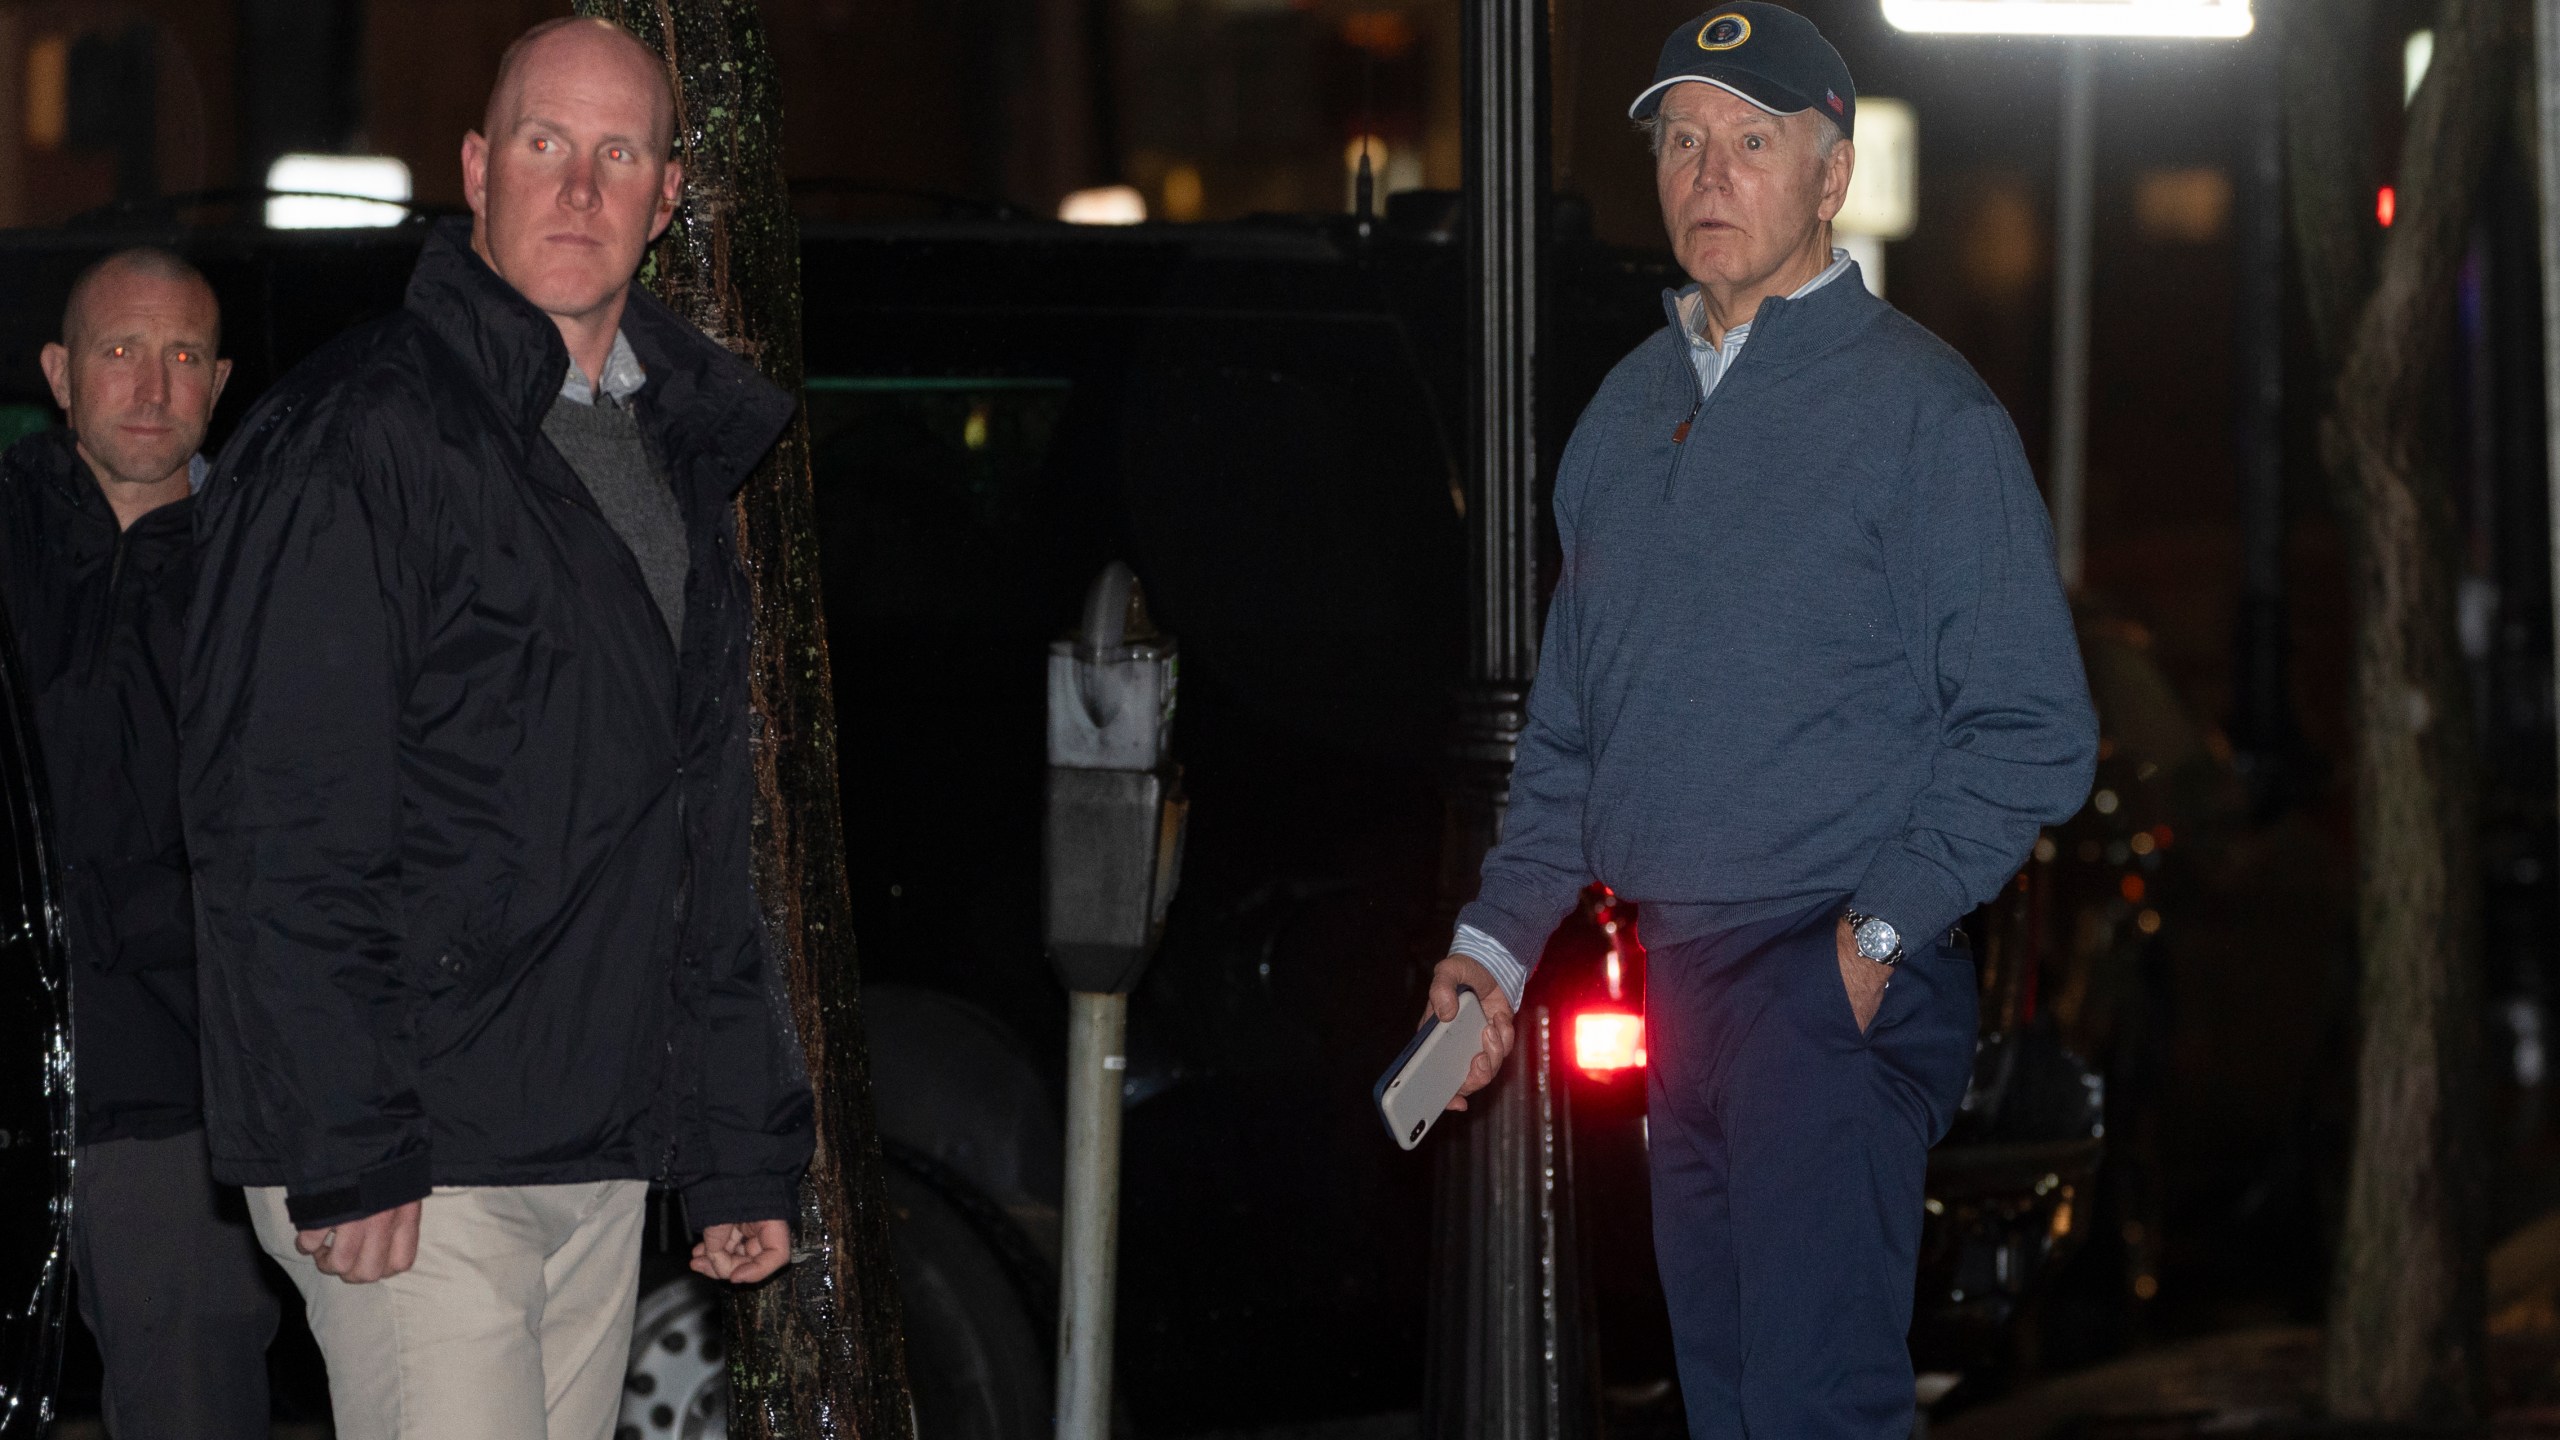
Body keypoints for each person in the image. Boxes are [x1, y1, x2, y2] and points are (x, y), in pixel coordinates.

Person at [1425, 7, 2098, 1437]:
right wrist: (1490, 953)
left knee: (1814, 1410)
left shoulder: (1927, 414)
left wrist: (1868, 943)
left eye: (1751, 141)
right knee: (1728, 1407)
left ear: (1831, 172)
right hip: (1676, 980)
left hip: (1826, 977)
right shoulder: (1622, 415)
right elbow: (1568, 744)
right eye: (1681, 141)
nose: (1707, 174)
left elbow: (2036, 730)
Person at [182, 18, 813, 1439]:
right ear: (476, 169)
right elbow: (278, 813)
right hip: (419, 1156)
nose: (579, 188)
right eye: (544, 143)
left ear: (666, 196)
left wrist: (733, 1149)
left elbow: (696, 835)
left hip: (589, 1147)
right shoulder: (360, 439)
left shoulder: (671, 452)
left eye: (619, 153)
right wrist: (346, 1144)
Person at [0, 248, 277, 1439]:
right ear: (60, 374)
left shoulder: (272, 572)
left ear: (218, 383)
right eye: (120, 351)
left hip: (181, 1108)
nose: (151, 386)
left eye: (180, 357)